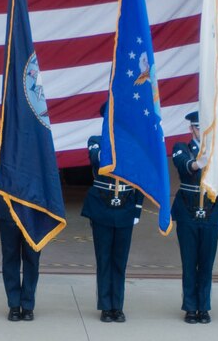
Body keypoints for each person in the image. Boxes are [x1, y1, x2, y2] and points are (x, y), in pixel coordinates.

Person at [80, 103, 144, 323]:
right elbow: (99, 161)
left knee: (120, 260)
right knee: (104, 259)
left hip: (125, 207)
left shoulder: (132, 144)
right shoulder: (96, 142)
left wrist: (137, 208)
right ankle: (105, 307)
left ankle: (118, 305)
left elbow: (138, 177)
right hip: (102, 209)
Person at [171, 111, 218, 324]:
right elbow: (185, 167)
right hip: (187, 212)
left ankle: (203, 307)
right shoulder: (182, 148)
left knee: (206, 263)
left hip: (211, 213)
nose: (200, 132)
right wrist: (201, 161)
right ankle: (190, 307)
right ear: (192, 129)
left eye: (204, 128)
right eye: (197, 128)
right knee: (189, 262)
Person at [0, 134, 41, 322]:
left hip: (33, 207)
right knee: (10, 257)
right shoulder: (3, 136)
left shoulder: (39, 136)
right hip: (8, 206)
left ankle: (28, 304)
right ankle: (13, 304)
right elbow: (4, 158)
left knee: (32, 258)